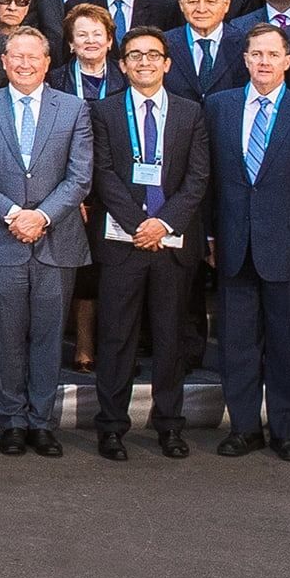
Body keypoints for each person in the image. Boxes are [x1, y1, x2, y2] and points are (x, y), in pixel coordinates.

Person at [205, 25, 290, 461]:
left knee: (288, 343)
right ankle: (243, 428)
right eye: (255, 54)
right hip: (234, 245)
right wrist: (209, 234)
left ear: (287, 61)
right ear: (244, 59)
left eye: (271, 54)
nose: (263, 61)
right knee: (238, 344)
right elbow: (210, 181)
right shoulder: (219, 107)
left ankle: (287, 431)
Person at [0, 26, 91, 458]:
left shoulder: (73, 109)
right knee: (5, 335)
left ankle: (42, 421)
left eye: (32, 57)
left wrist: (41, 216)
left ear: (47, 61)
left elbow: (79, 177)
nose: (24, 64)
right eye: (15, 56)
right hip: (1, 239)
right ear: (3, 62)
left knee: (49, 335)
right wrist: (15, 214)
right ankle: (11, 420)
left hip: (57, 240)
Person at [87, 25, 206, 461]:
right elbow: (103, 175)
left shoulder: (190, 113)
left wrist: (164, 224)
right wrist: (140, 223)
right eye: (134, 55)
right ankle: (112, 427)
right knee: (116, 338)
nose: (144, 62)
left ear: (167, 63)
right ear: (122, 64)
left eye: (153, 55)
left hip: (172, 244)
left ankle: (170, 426)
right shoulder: (104, 112)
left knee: (171, 339)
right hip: (123, 241)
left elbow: (197, 179)